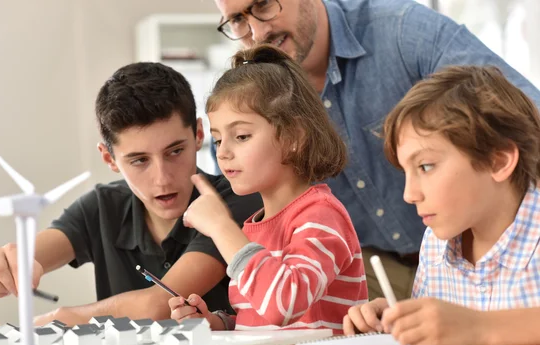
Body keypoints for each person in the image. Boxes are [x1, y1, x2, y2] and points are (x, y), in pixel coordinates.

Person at [212, 0, 540, 301]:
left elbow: (522, 121)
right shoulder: (254, 102)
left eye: (264, 4)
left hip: (476, 248)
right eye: (238, 20)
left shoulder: (403, 30)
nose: (257, 31)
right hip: (378, 265)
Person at [0, 62, 262, 326]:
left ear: (199, 134)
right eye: (139, 160)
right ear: (109, 159)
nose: (162, 178)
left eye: (175, 151)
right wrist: (3, 265)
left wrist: (62, 318)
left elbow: (158, 305)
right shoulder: (101, 206)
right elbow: (27, 256)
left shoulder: (235, 200)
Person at [169, 44, 368, 333]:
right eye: (218, 139)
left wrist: (221, 227)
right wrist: (216, 323)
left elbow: (283, 305)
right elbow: (262, 321)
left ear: (293, 136)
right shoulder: (254, 227)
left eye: (241, 136)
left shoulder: (321, 216)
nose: (223, 153)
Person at [343, 65, 540, 345]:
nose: (409, 195)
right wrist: (405, 319)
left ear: (498, 161)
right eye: (406, 172)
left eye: (426, 166)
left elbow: (470, 330)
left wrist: (478, 328)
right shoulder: (436, 244)